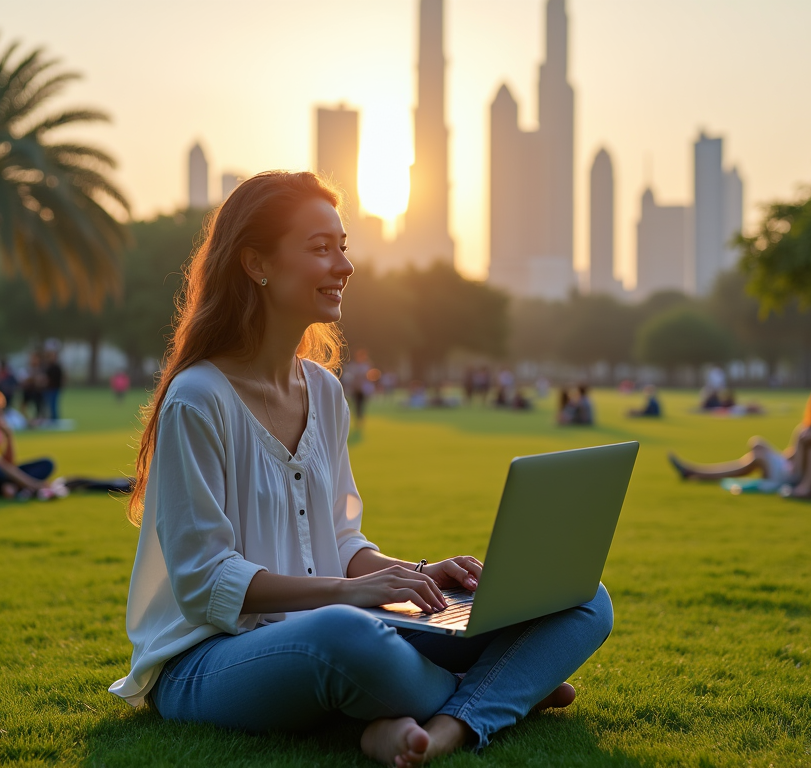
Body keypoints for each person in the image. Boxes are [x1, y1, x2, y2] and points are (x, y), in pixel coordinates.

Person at [109, 171, 613, 766]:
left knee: (582, 598)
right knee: (346, 635)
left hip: (334, 621)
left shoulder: (323, 392)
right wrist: (352, 594)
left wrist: (413, 572)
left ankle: (443, 718)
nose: (344, 266)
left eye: (343, 247)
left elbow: (344, 541)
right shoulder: (198, 399)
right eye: (321, 249)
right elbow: (205, 581)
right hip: (211, 658)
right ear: (256, 264)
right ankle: (504, 693)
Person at [667, 384, 811, 494]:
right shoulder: (807, 430)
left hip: (793, 477)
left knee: (757, 457)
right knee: (757, 443)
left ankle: (696, 472)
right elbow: (792, 455)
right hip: (789, 467)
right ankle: (696, 472)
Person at [42, 346, 65, 422]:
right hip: (48, 388)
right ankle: (51, 418)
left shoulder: (56, 367)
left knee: (53, 404)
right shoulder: (47, 366)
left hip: (54, 388)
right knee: (48, 404)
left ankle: (54, 419)